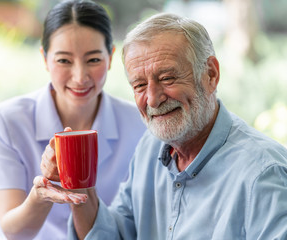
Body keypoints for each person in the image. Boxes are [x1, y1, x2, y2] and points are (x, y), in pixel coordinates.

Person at [35, 12, 287, 239]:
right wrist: (79, 190)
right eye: (140, 86)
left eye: (167, 78)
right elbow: (116, 235)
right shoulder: (150, 147)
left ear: (211, 74)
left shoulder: (264, 173)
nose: (153, 99)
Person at [0, 0, 146, 239]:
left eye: (93, 60)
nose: (80, 77)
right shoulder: (7, 121)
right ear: (45, 58)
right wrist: (40, 196)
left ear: (111, 56)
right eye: (64, 60)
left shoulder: (139, 124)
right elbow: (13, 232)